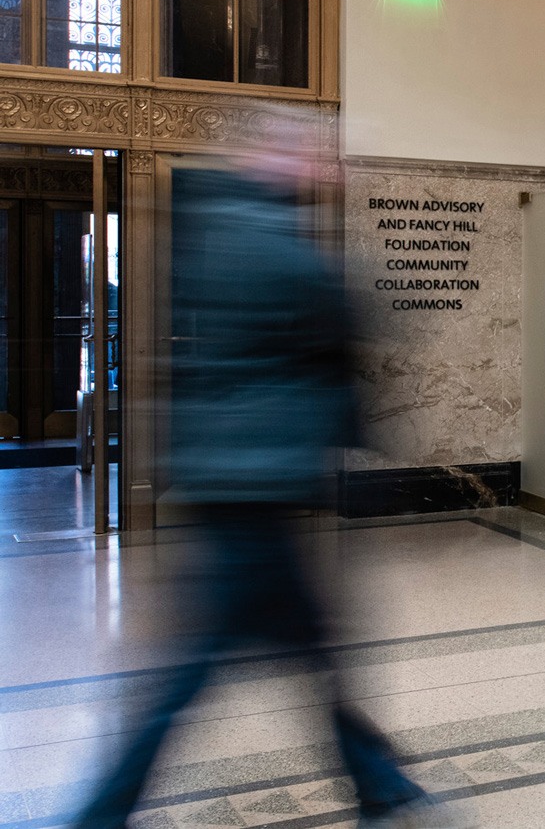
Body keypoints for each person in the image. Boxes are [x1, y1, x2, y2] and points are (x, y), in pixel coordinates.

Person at [73, 126, 457, 829]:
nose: (321, 166)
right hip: (253, 486)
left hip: (245, 482)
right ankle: (99, 813)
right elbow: (339, 307)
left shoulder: (223, 227)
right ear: (271, 159)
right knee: (202, 670)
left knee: (312, 647)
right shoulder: (259, 232)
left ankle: (378, 786)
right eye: (309, 153)